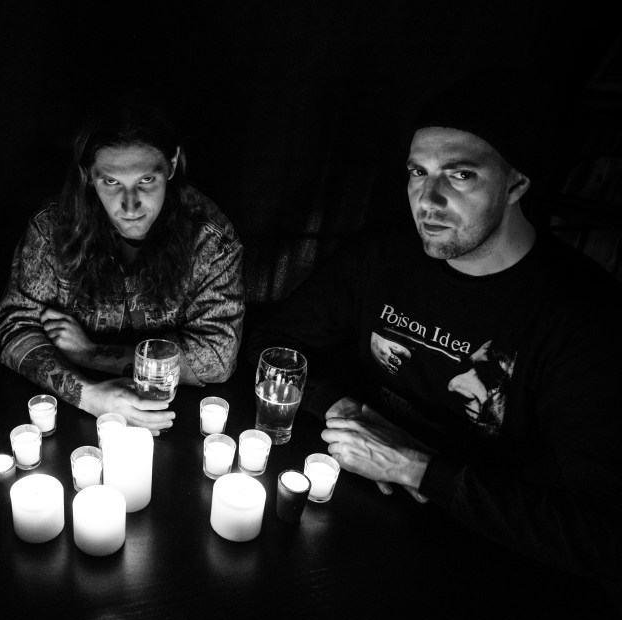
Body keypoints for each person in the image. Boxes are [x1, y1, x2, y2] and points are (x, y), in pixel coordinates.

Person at [247, 71, 622, 580]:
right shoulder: (382, 255)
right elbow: (272, 343)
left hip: (484, 558)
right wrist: (344, 408)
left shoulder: (584, 316)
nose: (427, 199)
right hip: (355, 500)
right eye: (417, 172)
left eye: (460, 174)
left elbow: (601, 531)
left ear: (516, 184)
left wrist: (417, 467)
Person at [0, 100, 244, 434]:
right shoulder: (51, 228)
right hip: (69, 416)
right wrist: (90, 396)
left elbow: (217, 357)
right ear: (88, 175)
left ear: (171, 165)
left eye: (146, 179)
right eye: (111, 182)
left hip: (178, 415)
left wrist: (91, 354)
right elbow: (16, 329)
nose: (130, 205)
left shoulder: (210, 239)